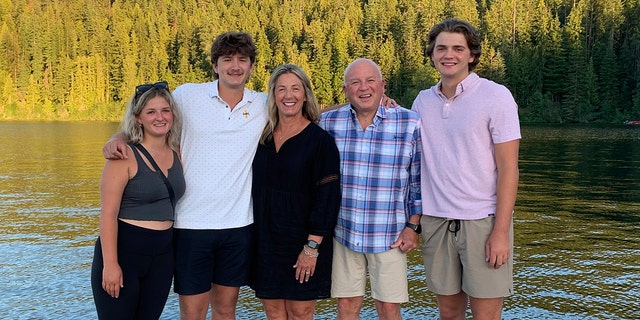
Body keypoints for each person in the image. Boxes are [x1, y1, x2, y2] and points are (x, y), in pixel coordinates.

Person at [102, 32, 268, 320]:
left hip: (239, 225)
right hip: (190, 227)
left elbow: (303, 112)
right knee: (193, 312)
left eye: (242, 60)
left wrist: (361, 104)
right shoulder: (187, 95)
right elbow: (149, 116)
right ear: (215, 65)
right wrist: (116, 137)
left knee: (226, 311)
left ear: (252, 67)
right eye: (227, 59)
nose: (235, 66)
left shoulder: (264, 104)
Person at [411, 19, 521, 320]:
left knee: (486, 314)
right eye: (441, 48)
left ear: (471, 55)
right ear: (432, 54)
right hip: (437, 221)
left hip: (483, 223)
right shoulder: (422, 101)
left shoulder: (495, 96)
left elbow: (509, 169)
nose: (449, 55)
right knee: (448, 313)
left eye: (458, 48)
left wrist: (500, 231)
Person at [318, 58, 423, 320]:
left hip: (390, 233)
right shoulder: (329, 123)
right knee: (346, 306)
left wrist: (413, 226)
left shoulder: (409, 122)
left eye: (370, 81)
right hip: (344, 230)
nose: (364, 88)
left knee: (388, 308)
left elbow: (417, 181)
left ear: (382, 85)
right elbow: (302, 113)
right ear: (345, 90)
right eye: (355, 83)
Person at [250, 64, 341, 319]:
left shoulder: (320, 141)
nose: (288, 96)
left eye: (295, 89)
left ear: (305, 94)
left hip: (304, 242)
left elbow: (327, 200)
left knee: (301, 311)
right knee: (273, 311)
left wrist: (311, 248)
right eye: (281, 89)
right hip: (265, 241)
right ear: (273, 95)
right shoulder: (262, 136)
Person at [91, 81, 186, 319]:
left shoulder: (177, 151)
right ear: (138, 118)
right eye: (151, 112)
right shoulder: (123, 155)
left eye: (165, 110)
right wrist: (110, 265)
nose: (160, 117)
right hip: (125, 253)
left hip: (163, 257)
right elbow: (108, 214)